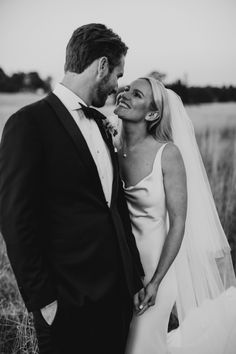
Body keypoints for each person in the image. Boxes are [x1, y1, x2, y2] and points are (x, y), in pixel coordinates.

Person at [0, 24, 144, 354]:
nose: (116, 87)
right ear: (102, 66)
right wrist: (44, 302)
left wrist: (132, 278)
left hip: (116, 300)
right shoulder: (28, 124)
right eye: (117, 75)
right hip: (67, 306)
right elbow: (15, 220)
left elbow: (115, 207)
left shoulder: (101, 124)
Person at [114, 77, 236, 354]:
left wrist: (155, 281)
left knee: (141, 346)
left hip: (157, 269)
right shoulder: (109, 146)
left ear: (152, 113)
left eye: (136, 94)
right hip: (118, 266)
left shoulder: (167, 155)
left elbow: (178, 222)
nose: (124, 95)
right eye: (125, 89)